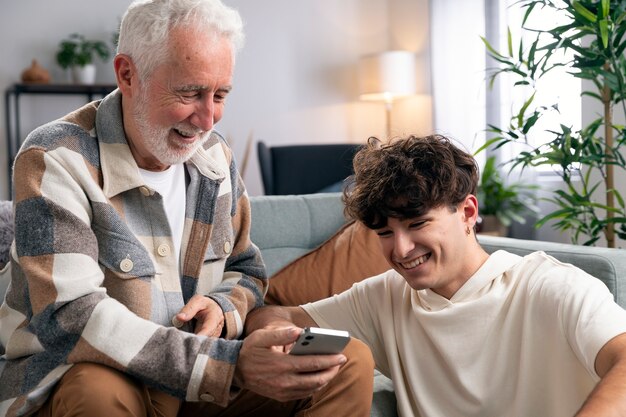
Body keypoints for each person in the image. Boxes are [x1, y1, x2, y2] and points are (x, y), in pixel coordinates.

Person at [0, 1, 373, 416]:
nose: (208, 118)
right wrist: (227, 366)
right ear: (127, 74)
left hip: (196, 386)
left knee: (347, 363)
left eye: (220, 95)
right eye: (190, 92)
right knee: (97, 389)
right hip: (98, 375)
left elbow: (246, 270)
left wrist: (222, 307)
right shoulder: (54, 157)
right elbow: (71, 317)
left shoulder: (215, 156)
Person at [246, 134, 626, 417]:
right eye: (384, 233)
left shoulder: (547, 286)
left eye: (417, 224)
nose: (401, 249)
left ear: (467, 212)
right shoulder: (383, 297)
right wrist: (276, 337)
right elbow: (278, 313)